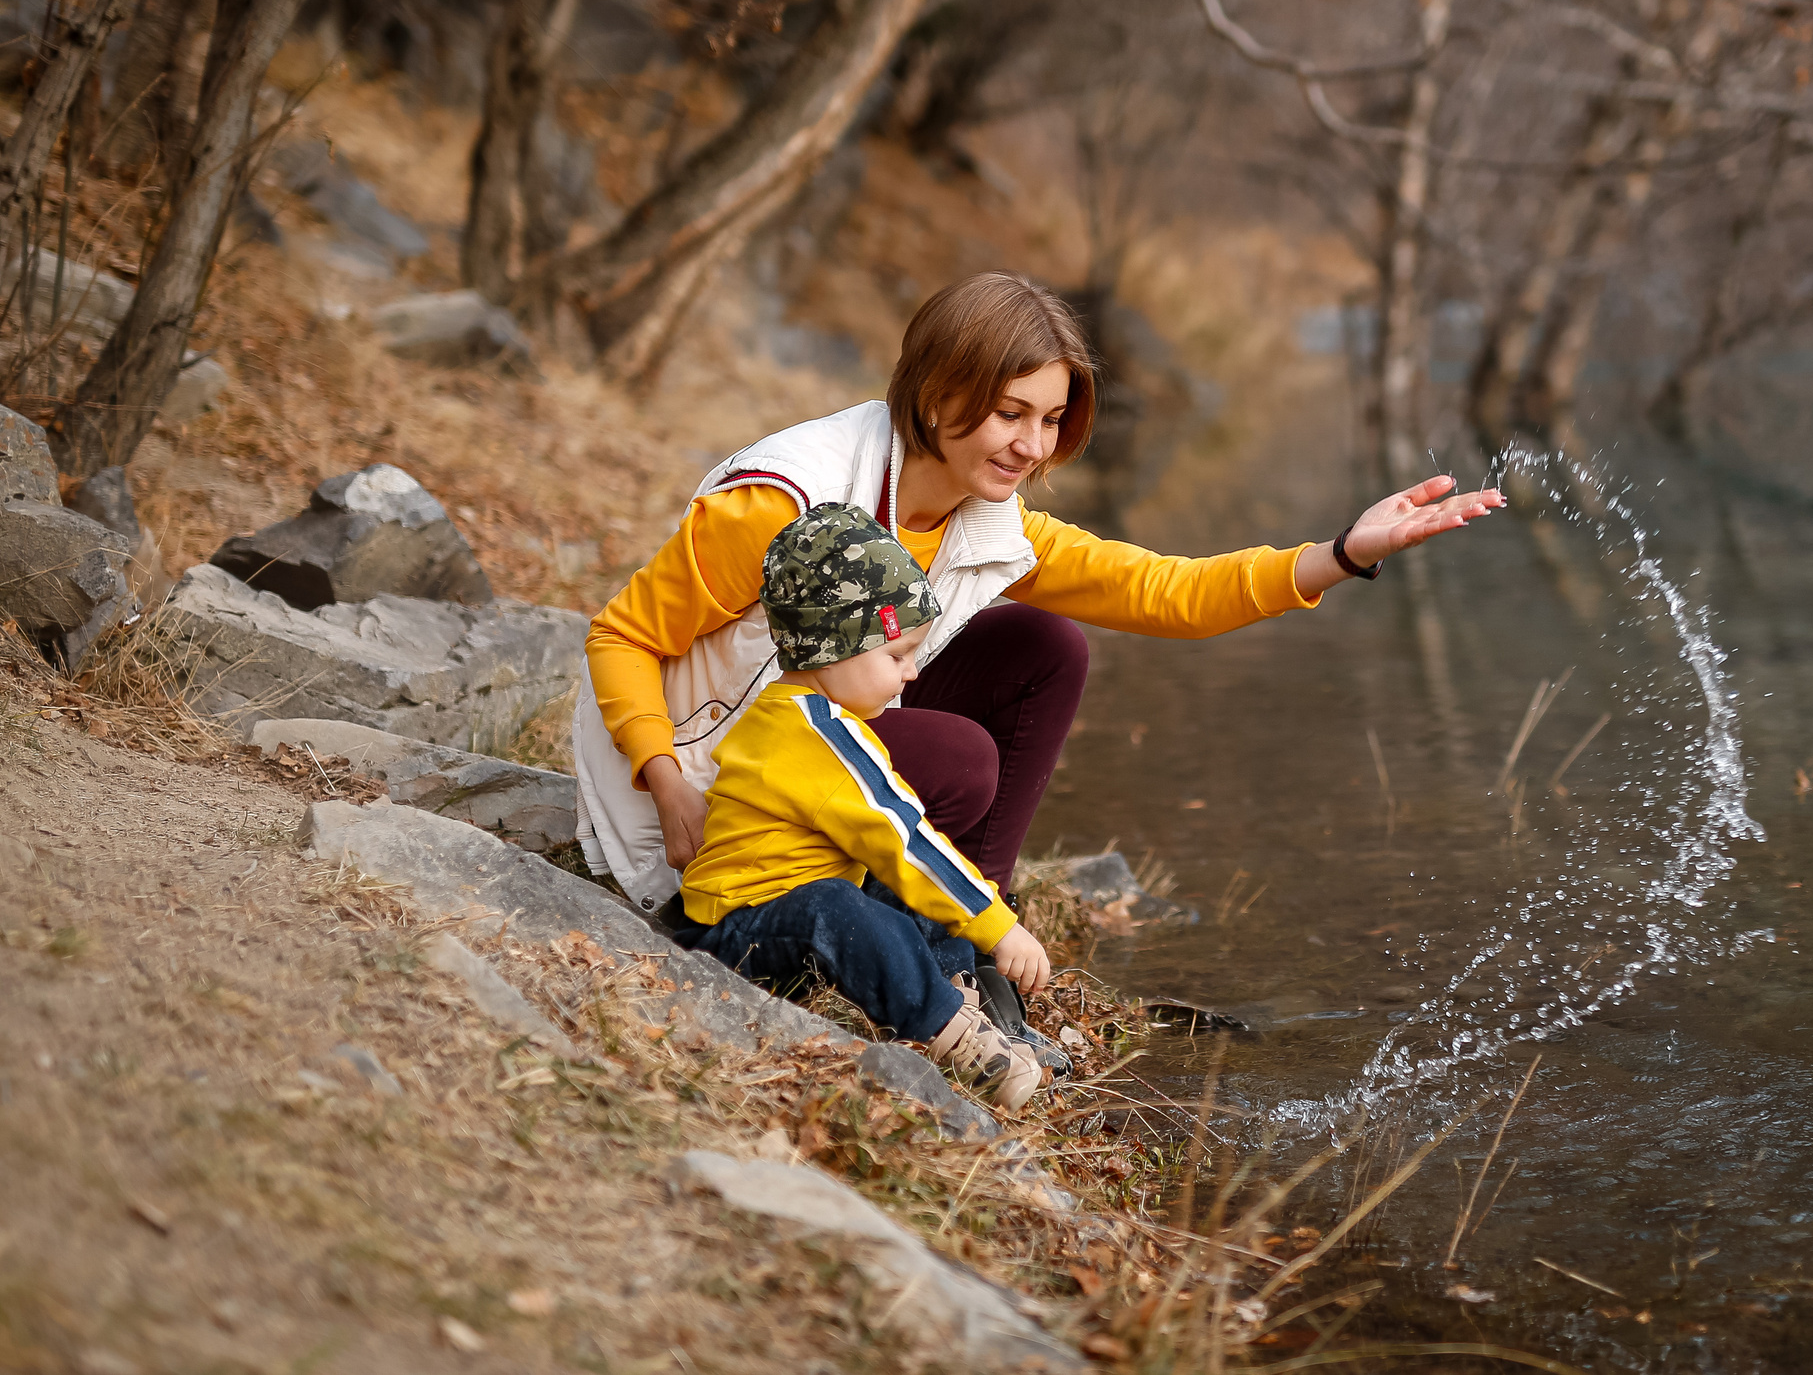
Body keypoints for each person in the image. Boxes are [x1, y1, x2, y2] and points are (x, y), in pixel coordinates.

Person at [572, 270, 1504, 926]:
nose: (1033, 446)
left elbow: (1168, 592)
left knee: (1045, 647)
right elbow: (620, 638)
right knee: (961, 758)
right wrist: (665, 781)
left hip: (805, 745)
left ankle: (978, 910)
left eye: (1052, 419)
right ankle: (876, 917)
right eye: (1010, 412)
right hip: (708, 797)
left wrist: (1342, 553)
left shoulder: (987, 522)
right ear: (938, 393)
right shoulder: (784, 505)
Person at [668, 501, 1049, 1114]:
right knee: (844, 901)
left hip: (782, 909)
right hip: (735, 930)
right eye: (897, 656)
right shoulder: (814, 734)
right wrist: (998, 924)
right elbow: (902, 839)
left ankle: (958, 993)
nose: (912, 673)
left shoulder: (812, 716)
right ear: (835, 650)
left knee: (895, 886)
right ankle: (951, 1034)